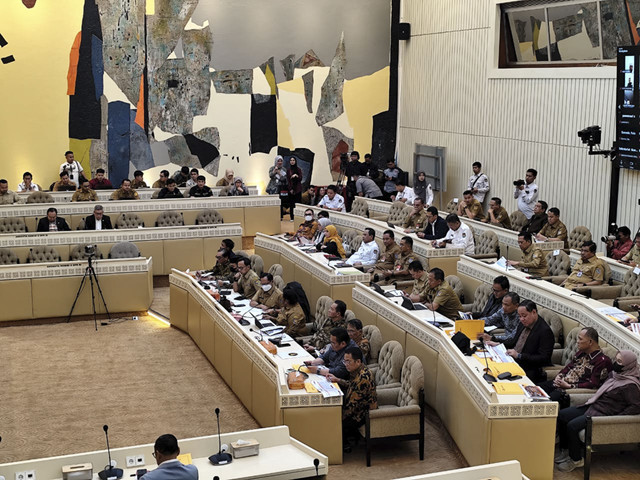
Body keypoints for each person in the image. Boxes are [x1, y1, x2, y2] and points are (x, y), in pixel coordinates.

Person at [555, 350, 640, 473]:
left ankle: (576, 460)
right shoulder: (616, 375)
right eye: (616, 359)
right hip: (595, 404)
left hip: (604, 414)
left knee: (572, 426)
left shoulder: (630, 385)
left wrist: (617, 417)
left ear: (628, 365)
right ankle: (566, 451)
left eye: (620, 361)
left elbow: (636, 406)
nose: (616, 363)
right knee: (563, 415)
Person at [538, 327, 612, 406]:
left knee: (544, 403)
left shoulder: (602, 361)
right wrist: (560, 375)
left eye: (580, 339)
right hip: (562, 383)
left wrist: (570, 386)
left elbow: (593, 384)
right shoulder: (581, 352)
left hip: (570, 390)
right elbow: (569, 366)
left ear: (590, 342)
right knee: (535, 390)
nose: (577, 342)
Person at [327, 346, 377, 452]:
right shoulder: (358, 371)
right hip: (354, 407)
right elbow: (352, 385)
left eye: (348, 362)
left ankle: (343, 446)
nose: (346, 365)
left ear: (358, 361)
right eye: (344, 361)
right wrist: (337, 380)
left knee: (332, 421)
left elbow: (352, 407)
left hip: (361, 413)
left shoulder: (363, 377)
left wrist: (336, 415)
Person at [503, 300, 554, 383]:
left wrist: (519, 356)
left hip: (530, 367)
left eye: (524, 316)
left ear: (534, 312)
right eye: (519, 316)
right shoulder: (523, 323)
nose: (521, 319)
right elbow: (513, 342)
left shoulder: (545, 331)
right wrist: (496, 342)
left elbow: (544, 358)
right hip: (513, 360)